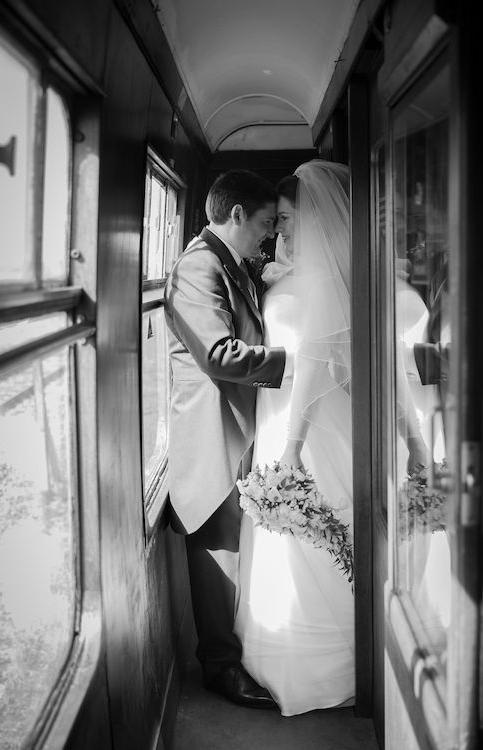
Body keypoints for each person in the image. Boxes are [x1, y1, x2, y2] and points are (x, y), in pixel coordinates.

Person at [164, 169, 291, 709]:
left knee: (238, 558)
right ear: (235, 214)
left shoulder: (230, 262)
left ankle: (236, 654)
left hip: (238, 428)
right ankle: (220, 669)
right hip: (213, 433)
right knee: (219, 557)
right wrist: (298, 362)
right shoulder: (199, 264)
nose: (269, 236)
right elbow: (218, 355)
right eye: (265, 224)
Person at [234, 160, 355, 716]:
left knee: (309, 528)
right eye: (275, 221)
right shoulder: (295, 273)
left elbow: (310, 365)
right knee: (290, 540)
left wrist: (290, 447)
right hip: (277, 413)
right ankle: (277, 647)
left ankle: (321, 662)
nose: (279, 231)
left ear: (313, 217)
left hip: (300, 424)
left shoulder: (326, 278)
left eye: (285, 219)